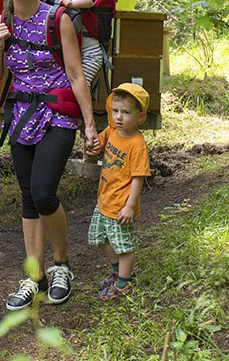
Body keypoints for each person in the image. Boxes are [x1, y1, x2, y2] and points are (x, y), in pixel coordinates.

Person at [0, 0, 100, 311]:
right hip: (19, 113)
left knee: (44, 191)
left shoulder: (58, 18)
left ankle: (62, 264)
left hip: (56, 113)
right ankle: (35, 277)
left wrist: (90, 125)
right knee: (28, 196)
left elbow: (76, 73)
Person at [86, 83, 151, 300]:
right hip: (104, 200)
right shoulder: (112, 131)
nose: (119, 117)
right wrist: (93, 146)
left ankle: (124, 283)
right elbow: (99, 145)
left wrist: (130, 206)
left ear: (140, 117)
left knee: (125, 247)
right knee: (99, 238)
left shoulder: (137, 144)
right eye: (115, 111)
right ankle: (117, 272)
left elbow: (138, 177)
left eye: (126, 112)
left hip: (121, 206)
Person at [49, 0, 104, 90]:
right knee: (74, 83)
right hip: (76, 52)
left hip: (90, 53)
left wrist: (71, 3)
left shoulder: (82, 1)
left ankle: (82, 102)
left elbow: (89, 1)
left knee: (82, 83)